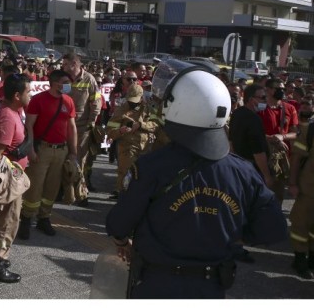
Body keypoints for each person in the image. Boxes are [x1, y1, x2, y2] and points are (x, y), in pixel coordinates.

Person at [106, 61, 287, 298]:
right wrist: (232, 233)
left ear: (178, 107)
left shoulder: (151, 167)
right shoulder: (244, 172)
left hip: (157, 284)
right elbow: (273, 229)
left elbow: (119, 224)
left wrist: (122, 243)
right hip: (211, 286)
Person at [19, 70, 77, 240]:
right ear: (54, 83)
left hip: (61, 150)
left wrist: (73, 152)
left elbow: (71, 128)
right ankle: (26, 219)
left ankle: (44, 218)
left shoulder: (68, 101)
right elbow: (29, 125)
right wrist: (30, 149)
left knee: (52, 186)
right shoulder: (38, 100)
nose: (68, 85)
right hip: (42, 149)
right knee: (35, 186)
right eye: (65, 81)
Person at [0, 72, 31, 283]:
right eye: (28, 91)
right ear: (16, 95)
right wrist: (10, 175)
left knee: (1, 219)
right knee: (7, 221)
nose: (30, 95)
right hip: (9, 179)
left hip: (12, 174)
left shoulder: (13, 111)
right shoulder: (7, 116)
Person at [105, 83, 156, 199]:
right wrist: (120, 131)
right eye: (131, 100)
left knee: (142, 174)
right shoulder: (121, 110)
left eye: (136, 100)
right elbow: (110, 129)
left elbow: (155, 125)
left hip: (144, 147)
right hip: (127, 146)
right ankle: (121, 194)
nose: (133, 103)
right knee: (125, 171)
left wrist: (141, 125)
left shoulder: (149, 108)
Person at [62, 52, 101, 201]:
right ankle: (65, 192)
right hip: (64, 125)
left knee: (79, 161)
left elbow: (95, 102)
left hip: (81, 127)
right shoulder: (64, 79)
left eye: (65, 64)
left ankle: (81, 193)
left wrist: (91, 123)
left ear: (74, 64)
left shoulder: (89, 79)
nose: (63, 67)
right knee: (63, 159)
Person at [259, 78, 299, 203]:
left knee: (277, 196)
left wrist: (283, 137)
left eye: (283, 88)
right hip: (261, 156)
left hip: (281, 159)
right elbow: (252, 132)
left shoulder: (289, 108)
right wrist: (271, 138)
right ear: (268, 90)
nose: (282, 91)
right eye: (279, 88)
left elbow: (296, 133)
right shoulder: (260, 107)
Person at [287, 98, 314, 279]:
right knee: (301, 225)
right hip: (308, 189)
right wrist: (293, 183)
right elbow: (296, 159)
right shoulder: (308, 130)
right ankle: (300, 259)